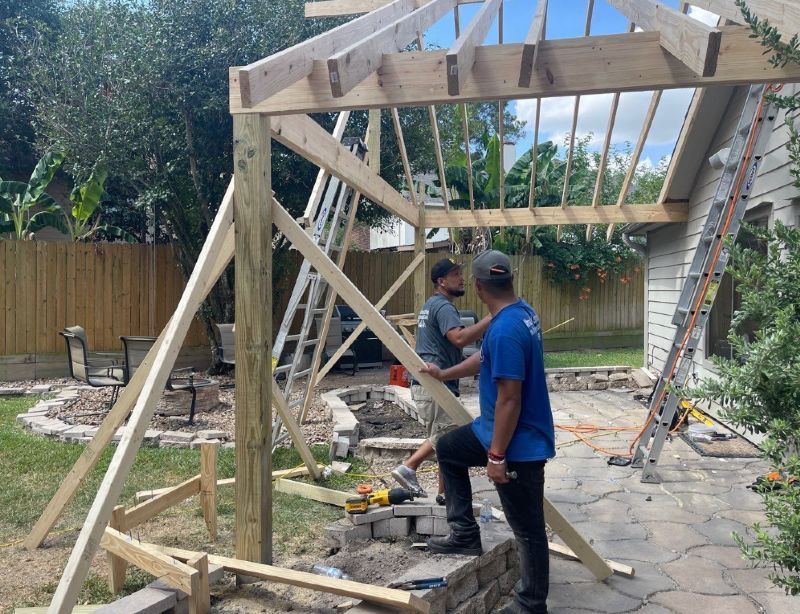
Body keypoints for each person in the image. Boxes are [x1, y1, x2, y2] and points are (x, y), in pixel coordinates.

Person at [420, 249, 555, 614]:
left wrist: (496, 457)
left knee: (527, 529)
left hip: (517, 444)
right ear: (509, 280)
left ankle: (531, 605)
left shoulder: (507, 328)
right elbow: (484, 358)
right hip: (491, 430)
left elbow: (511, 398)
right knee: (448, 448)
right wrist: (444, 374)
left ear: (479, 286)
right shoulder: (517, 313)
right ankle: (464, 534)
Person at [391, 257, 491, 500]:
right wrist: (491, 318)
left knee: (446, 438)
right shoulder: (444, 306)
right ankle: (409, 467)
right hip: (436, 385)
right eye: (455, 274)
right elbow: (458, 339)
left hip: (430, 385)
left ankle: (445, 495)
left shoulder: (430, 305)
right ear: (441, 281)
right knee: (449, 439)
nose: (461, 278)